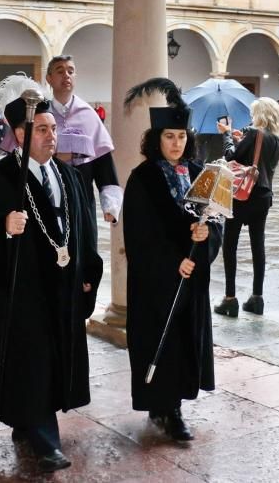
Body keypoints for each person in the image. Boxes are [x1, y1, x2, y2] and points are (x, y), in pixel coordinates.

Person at [0, 93, 102, 473]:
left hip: (62, 287)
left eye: (53, 129)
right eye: (42, 130)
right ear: (19, 134)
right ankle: (43, 435)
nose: (51, 136)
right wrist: (3, 229)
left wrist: (89, 273)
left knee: (53, 362)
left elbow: (86, 228)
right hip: (23, 292)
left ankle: (27, 421)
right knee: (31, 361)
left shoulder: (69, 175)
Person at [122, 79, 219, 442]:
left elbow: (217, 220)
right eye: (169, 137)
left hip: (191, 278)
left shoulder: (200, 175)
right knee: (157, 342)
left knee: (183, 344)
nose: (176, 144)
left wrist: (206, 239)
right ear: (156, 139)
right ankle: (161, 407)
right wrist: (173, 262)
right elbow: (139, 234)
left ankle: (175, 405)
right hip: (156, 281)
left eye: (181, 137)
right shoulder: (143, 179)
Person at [1, 55, 122, 223]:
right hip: (41, 197)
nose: (66, 75)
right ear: (49, 78)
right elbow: (15, 158)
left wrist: (110, 206)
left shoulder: (89, 116)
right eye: (60, 71)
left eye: (71, 71)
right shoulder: (37, 113)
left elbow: (104, 166)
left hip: (81, 200)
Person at [214, 98, 279, 317]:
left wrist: (226, 134)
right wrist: (239, 138)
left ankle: (230, 299)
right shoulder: (277, 139)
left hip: (242, 194)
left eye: (254, 113)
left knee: (230, 244)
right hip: (264, 196)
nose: (252, 117)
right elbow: (259, 159)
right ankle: (257, 298)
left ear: (260, 114)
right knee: (258, 245)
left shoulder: (254, 133)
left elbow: (230, 156)